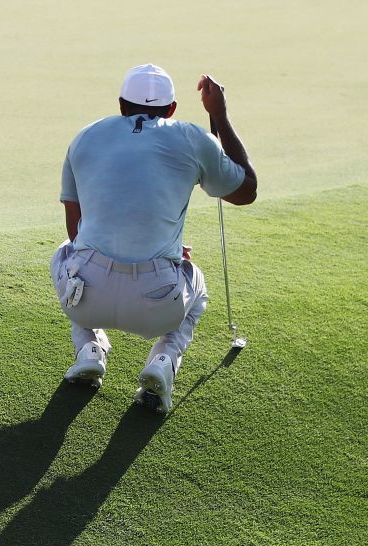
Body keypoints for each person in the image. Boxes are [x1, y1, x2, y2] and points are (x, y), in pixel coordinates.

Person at [51, 64, 257, 412]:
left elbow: (77, 231)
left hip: (88, 299)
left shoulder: (86, 135)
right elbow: (245, 191)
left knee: (65, 253)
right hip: (158, 303)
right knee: (198, 281)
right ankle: (163, 360)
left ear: (121, 105)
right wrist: (218, 115)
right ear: (172, 109)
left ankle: (89, 348)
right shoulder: (192, 136)